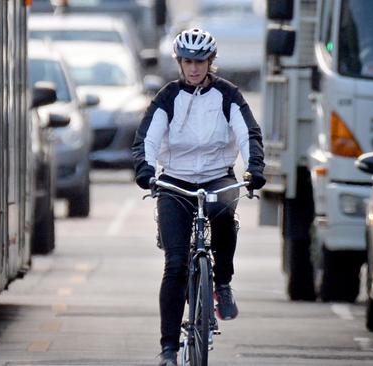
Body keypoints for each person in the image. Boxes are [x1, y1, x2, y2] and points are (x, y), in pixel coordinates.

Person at [131, 28, 266, 366]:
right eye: (188, 61)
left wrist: (254, 169)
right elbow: (147, 137)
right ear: (179, 62)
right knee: (175, 264)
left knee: (225, 219)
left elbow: (248, 133)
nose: (194, 68)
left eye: (200, 61)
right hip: (175, 183)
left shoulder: (228, 96)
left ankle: (222, 283)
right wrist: (146, 171)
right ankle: (168, 348)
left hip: (217, 177)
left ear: (210, 62)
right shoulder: (167, 97)